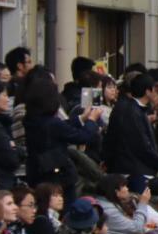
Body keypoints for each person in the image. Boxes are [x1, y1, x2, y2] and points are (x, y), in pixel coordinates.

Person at [21, 72, 102, 203]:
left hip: (38, 171)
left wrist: (81, 118)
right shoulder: (52, 123)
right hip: (58, 175)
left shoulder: (31, 120)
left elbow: (61, 128)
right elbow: (82, 137)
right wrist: (92, 120)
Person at [104, 73, 158, 193]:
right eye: (153, 89)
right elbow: (141, 143)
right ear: (147, 91)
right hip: (135, 169)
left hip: (126, 167)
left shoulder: (127, 108)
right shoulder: (132, 111)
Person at [0, 81, 22, 189]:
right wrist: (17, 150)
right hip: (1, 182)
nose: (7, 99)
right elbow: (10, 159)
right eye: (4, 95)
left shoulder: (2, 123)